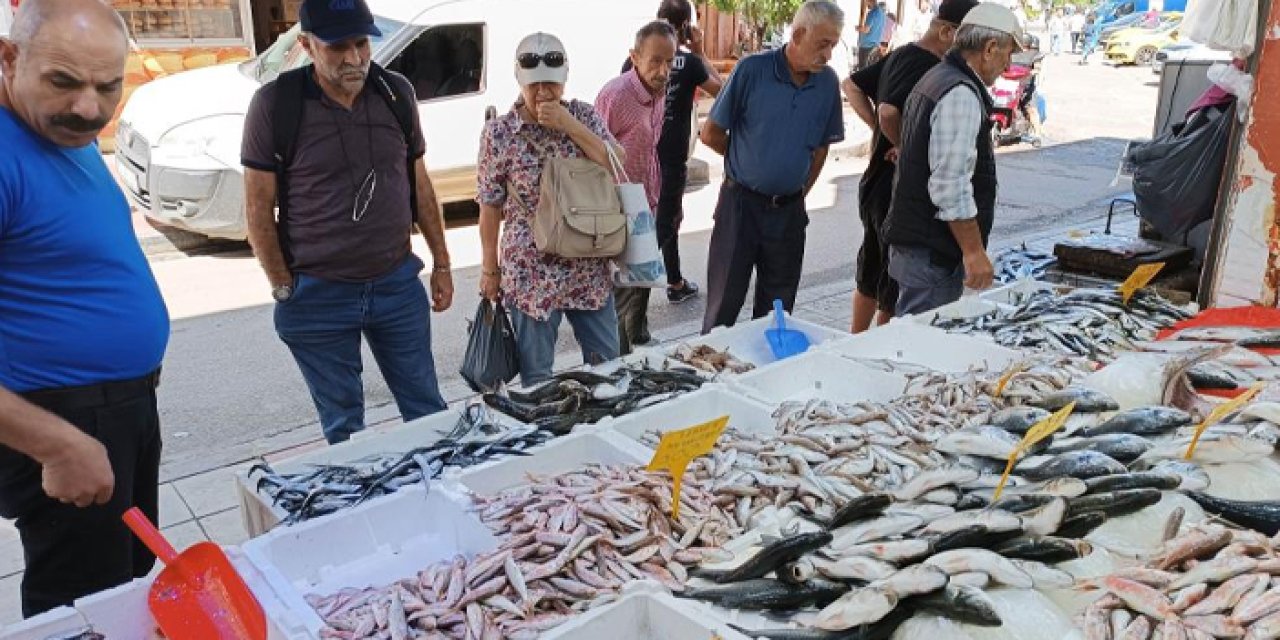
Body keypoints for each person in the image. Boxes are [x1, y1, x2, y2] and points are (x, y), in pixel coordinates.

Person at [0, 0, 170, 617]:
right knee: (79, 603)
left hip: (117, 409)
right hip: (63, 417)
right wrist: (58, 446)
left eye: (108, 86)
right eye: (63, 82)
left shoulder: (55, 129)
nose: (89, 108)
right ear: (9, 58)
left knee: (125, 575)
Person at [241, 0, 453, 445]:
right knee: (345, 430)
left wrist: (443, 263)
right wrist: (283, 286)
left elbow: (420, 186)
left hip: (396, 283)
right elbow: (258, 209)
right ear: (306, 46)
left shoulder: (396, 93)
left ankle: (444, 502)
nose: (354, 58)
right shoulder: (275, 104)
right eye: (338, 47)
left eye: (362, 43)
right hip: (317, 293)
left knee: (427, 411)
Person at [477, 32, 623, 385]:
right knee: (537, 377)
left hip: (587, 261)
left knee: (610, 367)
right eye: (534, 85)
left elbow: (618, 165)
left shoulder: (583, 116)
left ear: (565, 80)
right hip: (531, 271)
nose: (543, 93)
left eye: (551, 85)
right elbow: (489, 204)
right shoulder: (499, 134)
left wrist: (568, 125)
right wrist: (489, 270)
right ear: (519, 81)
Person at [700, 0, 845, 332]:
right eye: (823, 44)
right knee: (724, 306)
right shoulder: (752, 70)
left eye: (833, 46)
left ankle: (764, 378)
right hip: (740, 206)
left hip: (788, 213)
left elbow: (821, 147)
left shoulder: (826, 83)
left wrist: (796, 193)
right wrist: (750, 161)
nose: (828, 55)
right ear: (797, 34)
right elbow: (711, 133)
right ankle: (708, 379)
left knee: (778, 312)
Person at [843, 0, 978, 333]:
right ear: (947, 31)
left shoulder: (902, 54)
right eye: (969, 38)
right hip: (893, 188)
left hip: (880, 184)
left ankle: (855, 344)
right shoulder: (923, 63)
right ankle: (876, 349)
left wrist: (882, 133)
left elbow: (853, 85)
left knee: (872, 270)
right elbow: (888, 111)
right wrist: (903, 144)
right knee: (889, 281)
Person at [882, 3, 1023, 316]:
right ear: (989, 48)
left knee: (910, 337)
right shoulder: (959, 93)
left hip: (919, 246)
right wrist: (973, 252)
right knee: (922, 348)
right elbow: (949, 185)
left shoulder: (939, 76)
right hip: (931, 252)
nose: (1007, 65)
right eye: (1008, 54)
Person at [617, 0, 725, 342]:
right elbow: (723, 93)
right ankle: (632, 326)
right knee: (653, 237)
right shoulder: (690, 62)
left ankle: (673, 284)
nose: (662, 70)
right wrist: (699, 50)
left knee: (661, 228)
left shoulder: (636, 63)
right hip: (666, 164)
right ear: (686, 27)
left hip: (642, 168)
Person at [597, 21, 678, 355]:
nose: (663, 70)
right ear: (634, 57)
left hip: (647, 203)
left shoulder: (659, 93)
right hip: (618, 209)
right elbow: (593, 155)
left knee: (640, 283)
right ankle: (614, 362)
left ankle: (634, 344)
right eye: (655, 61)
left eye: (669, 62)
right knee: (619, 293)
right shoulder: (616, 95)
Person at [857, 0, 886, 69]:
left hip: (866, 46)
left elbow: (866, 30)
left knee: (862, 72)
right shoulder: (882, 14)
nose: (865, 4)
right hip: (875, 46)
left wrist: (858, 28)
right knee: (869, 70)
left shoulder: (872, 13)